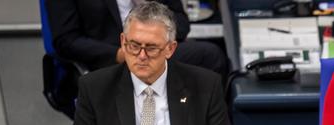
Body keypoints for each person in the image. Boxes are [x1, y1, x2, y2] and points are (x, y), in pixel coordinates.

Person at [63, 2, 231, 125]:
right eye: (134, 46)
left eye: (151, 48)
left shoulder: (205, 86)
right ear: (123, 41)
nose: (141, 56)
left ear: (170, 49)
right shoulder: (95, 88)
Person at [46, 0, 226, 76]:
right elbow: (66, 40)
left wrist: (149, 6)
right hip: (109, 61)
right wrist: (119, 54)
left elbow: (182, 24)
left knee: (210, 55)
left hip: (157, 53)